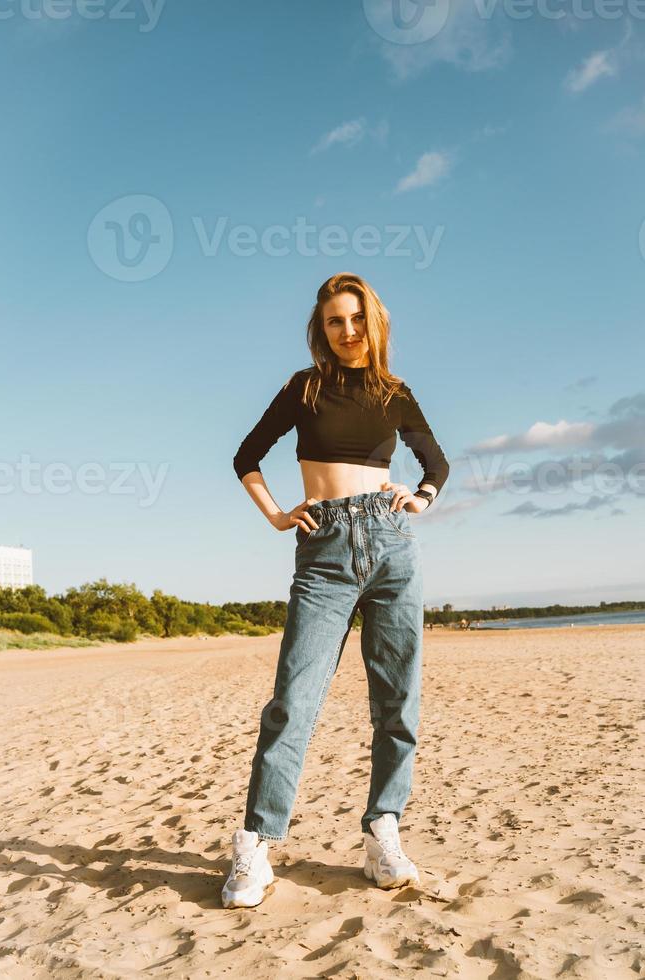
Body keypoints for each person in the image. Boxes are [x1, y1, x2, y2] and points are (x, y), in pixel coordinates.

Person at [222, 272, 449, 909]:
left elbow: (437, 463)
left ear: (372, 323)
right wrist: (274, 515)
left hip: (391, 543)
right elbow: (247, 454)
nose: (346, 331)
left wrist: (421, 497)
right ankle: (258, 846)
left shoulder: (396, 392)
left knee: (398, 702)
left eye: (355, 320)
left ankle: (383, 832)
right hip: (322, 550)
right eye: (334, 322)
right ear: (321, 331)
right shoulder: (305, 387)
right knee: (292, 700)